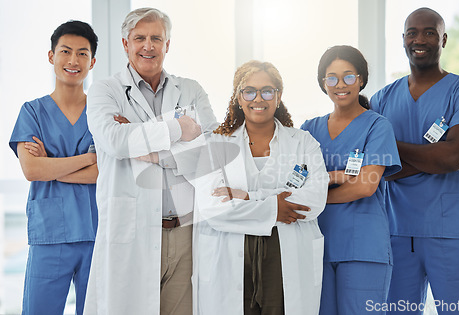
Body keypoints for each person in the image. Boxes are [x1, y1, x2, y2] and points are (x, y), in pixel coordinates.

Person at [83, 7, 218, 315]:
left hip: (184, 232)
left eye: (156, 38)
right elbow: (116, 141)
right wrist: (178, 129)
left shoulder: (191, 90)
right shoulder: (106, 90)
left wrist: (151, 150)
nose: (148, 46)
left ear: (167, 44)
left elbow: (210, 151)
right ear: (125, 44)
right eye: (139, 38)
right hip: (131, 229)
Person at [370, 7, 459, 314]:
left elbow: (452, 158)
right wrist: (428, 157)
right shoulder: (382, 99)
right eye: (412, 32)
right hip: (397, 230)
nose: (419, 39)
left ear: (444, 39)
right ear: (403, 40)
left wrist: (392, 150)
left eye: (429, 32)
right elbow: (375, 167)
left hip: (450, 228)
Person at [188, 60, 328, 315]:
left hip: (285, 252)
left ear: (278, 95)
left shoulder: (303, 143)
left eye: (267, 91)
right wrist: (274, 209)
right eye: (249, 91)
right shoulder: (215, 144)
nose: (258, 99)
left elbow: (315, 198)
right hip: (231, 254)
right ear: (239, 98)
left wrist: (249, 197)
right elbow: (213, 208)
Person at [301, 46, 401, 314]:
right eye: (331, 78)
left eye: (348, 76)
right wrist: (334, 177)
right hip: (316, 248)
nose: (340, 84)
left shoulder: (377, 126)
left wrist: (315, 199)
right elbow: (295, 182)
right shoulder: (308, 129)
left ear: (361, 79)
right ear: (323, 83)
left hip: (363, 250)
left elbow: (366, 185)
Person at [9, 21, 98, 315]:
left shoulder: (101, 114)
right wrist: (87, 158)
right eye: (66, 51)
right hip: (50, 236)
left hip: (96, 234)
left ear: (92, 62)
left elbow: (105, 172)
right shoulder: (32, 112)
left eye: (82, 54)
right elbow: (32, 170)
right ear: (51, 56)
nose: (73, 61)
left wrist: (52, 164)